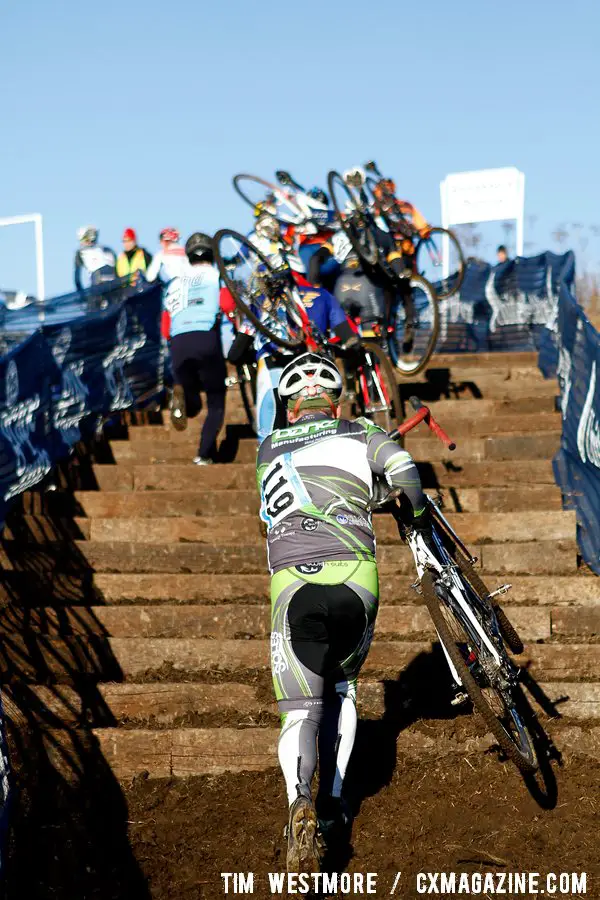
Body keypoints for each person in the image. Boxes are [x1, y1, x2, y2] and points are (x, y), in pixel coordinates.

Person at [256, 352, 428, 872]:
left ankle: (297, 805)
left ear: (288, 409)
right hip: (356, 579)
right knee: (342, 689)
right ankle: (332, 799)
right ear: (336, 402)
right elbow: (404, 471)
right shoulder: (360, 431)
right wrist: (412, 509)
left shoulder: (267, 448)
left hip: (292, 584)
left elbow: (274, 512)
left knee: (299, 712)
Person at [163, 232, 226, 464]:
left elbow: (164, 325)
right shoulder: (216, 275)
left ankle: (182, 394)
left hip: (179, 342)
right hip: (206, 338)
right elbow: (228, 304)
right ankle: (203, 454)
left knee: (192, 405)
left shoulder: (175, 282)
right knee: (216, 401)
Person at [73, 226, 116, 292]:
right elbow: (77, 279)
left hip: (109, 287)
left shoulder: (106, 250)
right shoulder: (80, 253)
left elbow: (77, 278)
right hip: (103, 287)